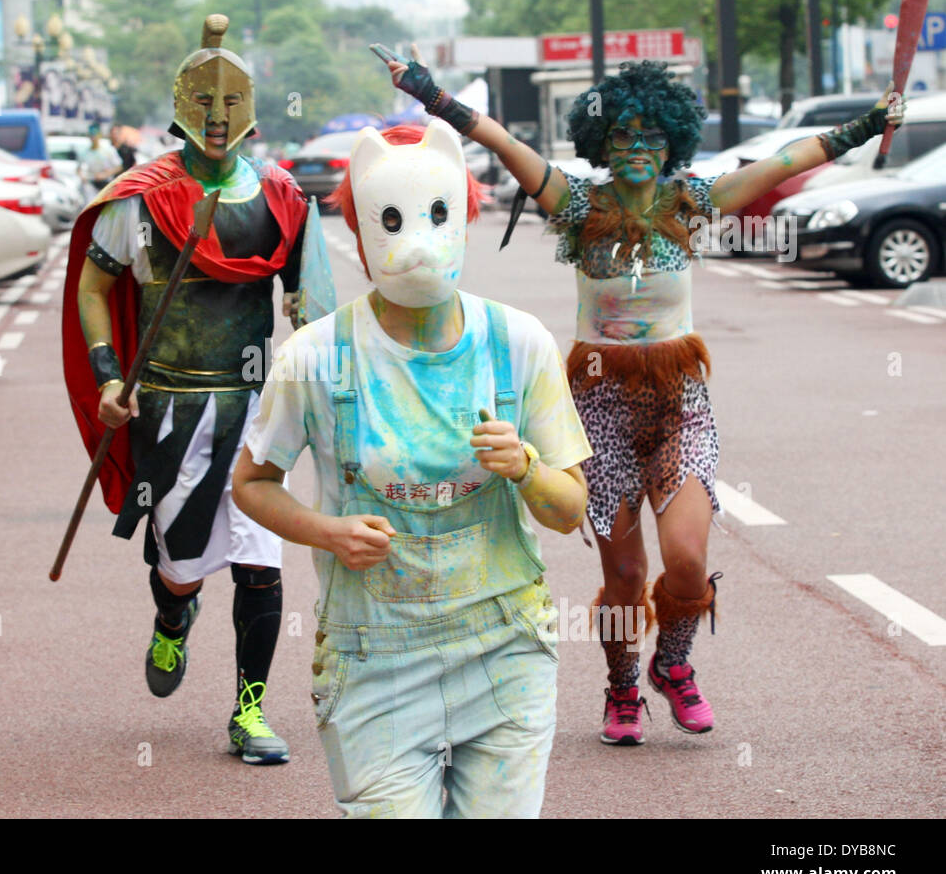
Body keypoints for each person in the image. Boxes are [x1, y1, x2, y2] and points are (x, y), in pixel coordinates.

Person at [382, 47, 903, 744]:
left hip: (679, 405)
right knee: (625, 572)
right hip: (599, 408)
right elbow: (503, 143)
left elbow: (782, 162)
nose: (637, 149)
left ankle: (674, 664)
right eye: (623, 136)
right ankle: (623, 686)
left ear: (671, 144)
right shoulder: (576, 205)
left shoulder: (692, 202)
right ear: (602, 143)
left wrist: (865, 125)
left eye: (652, 137)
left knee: (686, 561)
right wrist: (433, 96)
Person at [232, 121, 591, 817]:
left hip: (504, 647)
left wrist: (525, 467)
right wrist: (327, 531)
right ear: (362, 230)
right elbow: (252, 484)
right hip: (375, 660)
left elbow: (569, 509)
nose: (415, 241)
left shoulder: (517, 342)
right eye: (390, 220)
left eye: (436, 214)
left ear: (464, 217)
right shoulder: (317, 354)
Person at [62, 14, 309, 765]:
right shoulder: (140, 198)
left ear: (250, 109)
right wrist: (108, 376)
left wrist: (317, 373)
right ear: (181, 106)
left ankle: (250, 711)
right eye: (205, 103)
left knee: (262, 563)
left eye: (230, 103)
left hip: (254, 409)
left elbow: (311, 311)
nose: (217, 119)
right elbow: (93, 287)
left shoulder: (283, 198)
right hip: (169, 411)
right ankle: (174, 617)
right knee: (179, 567)